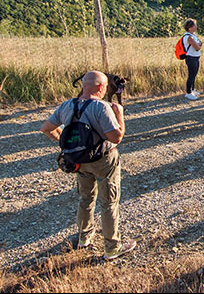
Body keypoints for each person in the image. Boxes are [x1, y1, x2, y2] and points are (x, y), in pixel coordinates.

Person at [39, 71, 136, 260]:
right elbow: (117, 137)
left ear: (83, 86)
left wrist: (65, 143)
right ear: (101, 87)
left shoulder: (67, 105)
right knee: (108, 202)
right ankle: (112, 247)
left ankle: (84, 237)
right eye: (106, 86)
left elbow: (45, 128)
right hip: (103, 160)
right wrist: (120, 115)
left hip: (79, 160)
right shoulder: (102, 107)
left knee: (85, 198)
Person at [181, 19, 203, 101]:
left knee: (194, 74)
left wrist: (198, 44)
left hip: (196, 57)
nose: (196, 27)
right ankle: (188, 92)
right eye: (194, 25)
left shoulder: (193, 35)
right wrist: (199, 45)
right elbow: (197, 47)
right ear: (189, 28)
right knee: (191, 75)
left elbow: (199, 43)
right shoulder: (189, 37)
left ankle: (193, 89)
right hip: (191, 57)